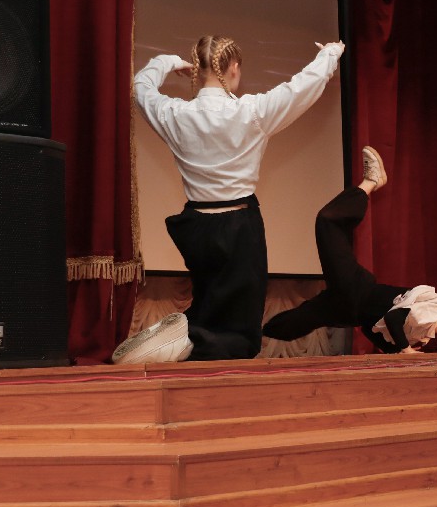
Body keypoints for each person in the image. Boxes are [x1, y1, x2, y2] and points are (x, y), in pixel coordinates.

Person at [112, 36, 345, 364]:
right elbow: (301, 87)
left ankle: (186, 343)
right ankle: (186, 349)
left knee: (208, 305)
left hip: (196, 226)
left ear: (198, 68)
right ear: (234, 67)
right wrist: (331, 53)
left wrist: (167, 62)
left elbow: (141, 87)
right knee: (241, 327)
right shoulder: (251, 111)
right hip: (239, 224)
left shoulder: (176, 114)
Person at [262, 147, 437, 353]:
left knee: (288, 326)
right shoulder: (435, 307)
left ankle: (253, 332)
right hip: (355, 290)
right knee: (328, 222)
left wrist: (394, 351)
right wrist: (405, 350)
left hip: (351, 311)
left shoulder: (423, 334)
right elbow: (392, 318)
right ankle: (371, 182)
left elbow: (371, 327)